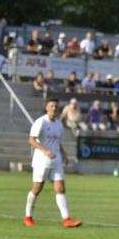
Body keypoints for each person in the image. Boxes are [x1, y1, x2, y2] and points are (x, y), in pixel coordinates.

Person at [24, 98, 83, 228]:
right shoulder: (41, 122)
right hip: (41, 161)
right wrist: (45, 151)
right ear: (47, 108)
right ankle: (28, 216)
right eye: (51, 106)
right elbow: (31, 140)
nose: (54, 108)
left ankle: (67, 219)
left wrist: (64, 153)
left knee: (60, 188)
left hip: (55, 161)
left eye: (56, 106)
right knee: (37, 188)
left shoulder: (59, 124)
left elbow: (57, 142)